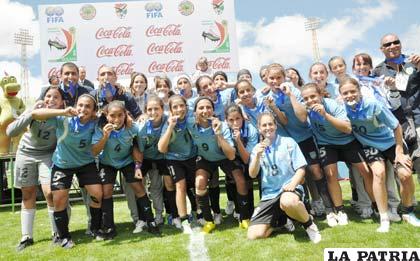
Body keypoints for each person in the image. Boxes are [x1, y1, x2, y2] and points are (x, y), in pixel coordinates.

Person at [339, 77, 420, 230]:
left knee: (405, 174)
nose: (349, 95)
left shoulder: (373, 104)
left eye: (352, 91)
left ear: (359, 91)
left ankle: (408, 212)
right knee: (378, 173)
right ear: (341, 96)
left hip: (391, 141)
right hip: (370, 146)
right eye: (345, 93)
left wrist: (399, 151)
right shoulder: (343, 110)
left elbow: (396, 127)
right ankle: (384, 218)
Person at [265, 64, 336, 226]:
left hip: (305, 136)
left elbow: (303, 117)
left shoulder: (294, 91)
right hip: (289, 142)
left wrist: (290, 95)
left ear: (284, 78)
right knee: (297, 176)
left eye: (278, 78)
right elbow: (284, 121)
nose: (275, 81)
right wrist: (274, 107)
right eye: (272, 78)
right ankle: (306, 207)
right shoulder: (269, 97)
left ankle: (329, 209)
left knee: (316, 171)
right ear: (267, 80)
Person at [31, 94, 103, 248]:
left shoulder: (96, 123)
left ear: (93, 111)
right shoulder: (64, 118)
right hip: (62, 164)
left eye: (88, 106)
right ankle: (63, 236)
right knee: (59, 199)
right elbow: (35, 114)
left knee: (97, 194)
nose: (83, 109)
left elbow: (95, 151)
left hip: (86, 164)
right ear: (76, 105)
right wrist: (62, 111)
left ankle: (95, 229)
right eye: (80, 105)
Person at [301, 83, 376, 225]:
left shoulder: (332, 105)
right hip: (327, 144)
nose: (310, 100)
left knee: (365, 171)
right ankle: (340, 210)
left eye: (313, 96)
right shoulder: (306, 109)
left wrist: (326, 115)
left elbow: (347, 129)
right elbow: (298, 115)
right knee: (330, 174)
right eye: (306, 98)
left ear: (321, 95)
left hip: (347, 141)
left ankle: (375, 205)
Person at [247, 112, 321, 243]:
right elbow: (252, 174)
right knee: (254, 235)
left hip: (288, 189)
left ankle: (309, 224)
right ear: (259, 128)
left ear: (276, 126)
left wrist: (293, 184)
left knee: (288, 202)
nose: (268, 127)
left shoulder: (288, 142)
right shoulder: (257, 149)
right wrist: (257, 156)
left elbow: (301, 168)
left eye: (270, 124)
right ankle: (281, 222)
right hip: (269, 194)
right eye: (264, 125)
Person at [7, 86, 66, 251]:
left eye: (56, 97)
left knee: (49, 192)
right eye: (48, 96)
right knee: (27, 193)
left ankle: (57, 232)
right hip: (25, 154)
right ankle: (27, 236)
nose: (51, 100)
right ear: (43, 98)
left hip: (47, 155)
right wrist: (30, 112)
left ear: (62, 102)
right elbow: (11, 131)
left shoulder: (61, 118)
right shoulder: (34, 112)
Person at [91, 101, 160, 238]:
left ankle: (150, 221)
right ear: (106, 115)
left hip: (127, 161)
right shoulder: (100, 128)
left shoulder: (132, 128)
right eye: (112, 116)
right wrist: (105, 136)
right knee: (106, 191)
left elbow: (137, 148)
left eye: (120, 115)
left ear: (125, 115)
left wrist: (138, 167)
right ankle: (109, 226)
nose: (116, 119)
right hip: (108, 163)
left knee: (138, 187)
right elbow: (94, 151)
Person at [187, 97, 249, 233]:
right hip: (206, 158)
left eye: (208, 107)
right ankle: (209, 221)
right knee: (199, 182)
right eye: (201, 108)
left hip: (224, 158)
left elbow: (231, 155)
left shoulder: (223, 125)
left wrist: (219, 134)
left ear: (213, 110)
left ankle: (244, 218)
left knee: (240, 179)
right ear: (195, 111)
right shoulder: (189, 124)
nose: (205, 111)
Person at [372, 33, 420, 184]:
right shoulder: (377, 72)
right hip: (396, 124)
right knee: (402, 168)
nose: (392, 46)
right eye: (387, 44)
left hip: (418, 119)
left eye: (395, 42)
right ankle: (407, 205)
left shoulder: (413, 62)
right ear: (381, 49)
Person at [135, 96, 178, 228]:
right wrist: (138, 166)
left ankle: (168, 215)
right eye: (150, 109)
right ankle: (143, 218)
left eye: (156, 109)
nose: (153, 112)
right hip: (145, 158)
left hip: (163, 157)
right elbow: (139, 149)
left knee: (164, 186)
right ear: (145, 111)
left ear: (162, 109)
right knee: (138, 186)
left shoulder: (168, 121)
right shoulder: (141, 126)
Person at [158, 95, 198, 233]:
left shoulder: (192, 119)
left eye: (182, 106)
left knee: (194, 186)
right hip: (173, 159)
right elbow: (161, 148)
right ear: (170, 110)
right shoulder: (168, 123)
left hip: (192, 157)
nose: (179, 109)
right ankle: (184, 219)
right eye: (175, 107)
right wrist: (170, 127)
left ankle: (198, 213)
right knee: (180, 186)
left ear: (186, 107)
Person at [224, 104, 258, 226]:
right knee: (237, 179)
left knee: (248, 181)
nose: (235, 123)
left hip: (246, 157)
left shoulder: (251, 130)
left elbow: (246, 159)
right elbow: (231, 156)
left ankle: (250, 212)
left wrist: (238, 140)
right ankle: (240, 212)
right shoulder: (224, 129)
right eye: (231, 120)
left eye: (237, 118)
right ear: (226, 120)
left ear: (242, 118)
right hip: (229, 157)